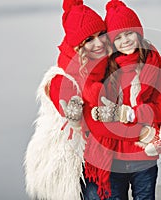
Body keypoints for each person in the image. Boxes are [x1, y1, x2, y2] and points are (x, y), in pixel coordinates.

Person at [24, 0, 111, 199]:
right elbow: (63, 94)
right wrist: (72, 109)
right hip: (73, 165)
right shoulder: (60, 76)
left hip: (101, 161)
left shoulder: (108, 70)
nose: (98, 43)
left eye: (101, 35)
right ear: (77, 45)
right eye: (89, 39)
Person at [90, 0, 161, 199]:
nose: (125, 40)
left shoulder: (153, 64)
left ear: (138, 33)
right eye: (118, 37)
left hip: (143, 156)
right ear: (111, 42)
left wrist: (131, 113)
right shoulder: (105, 67)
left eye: (129, 33)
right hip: (113, 157)